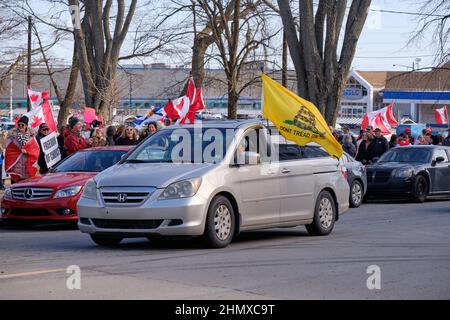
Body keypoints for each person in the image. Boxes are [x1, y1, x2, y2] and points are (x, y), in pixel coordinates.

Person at [4, 116, 40, 184]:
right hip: (17, 169)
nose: (20, 126)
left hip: (27, 168)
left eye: (22, 125)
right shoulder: (12, 136)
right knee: (15, 189)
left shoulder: (32, 137)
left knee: (26, 188)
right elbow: (9, 150)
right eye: (19, 124)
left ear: (26, 125)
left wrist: (28, 152)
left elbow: (36, 150)